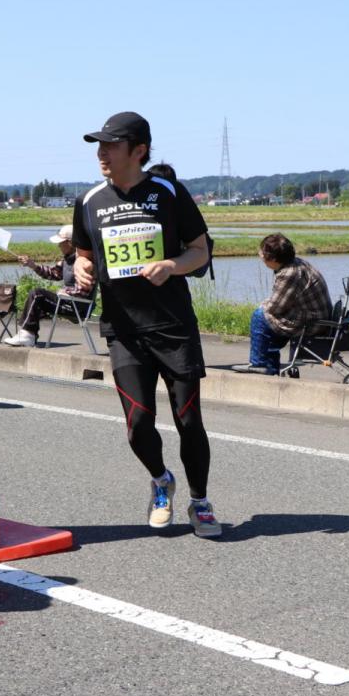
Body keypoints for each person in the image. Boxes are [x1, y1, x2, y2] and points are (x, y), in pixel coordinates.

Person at [72, 111, 220, 538]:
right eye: (99, 146)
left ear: (138, 151)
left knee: (188, 419)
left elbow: (200, 252)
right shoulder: (90, 200)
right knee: (137, 423)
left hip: (172, 326)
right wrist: (82, 269)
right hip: (124, 330)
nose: (102, 153)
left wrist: (172, 265)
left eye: (111, 145)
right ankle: (160, 480)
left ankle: (199, 501)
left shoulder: (170, 192)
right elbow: (83, 253)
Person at [231, 233, 331, 375]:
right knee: (268, 322)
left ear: (273, 259)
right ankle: (269, 369)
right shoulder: (296, 263)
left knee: (259, 316)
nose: (260, 255)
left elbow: (275, 307)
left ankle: (258, 363)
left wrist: (262, 306)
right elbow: (281, 302)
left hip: (311, 322)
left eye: (263, 253)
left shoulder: (289, 274)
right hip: (315, 317)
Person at [2, 224, 93, 347]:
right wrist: (32, 265)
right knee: (37, 297)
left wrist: (65, 292)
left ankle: (27, 335)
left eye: (61, 242)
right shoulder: (66, 260)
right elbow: (53, 274)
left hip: (77, 307)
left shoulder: (85, 262)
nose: (58, 245)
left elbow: (85, 289)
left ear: (70, 243)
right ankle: (28, 334)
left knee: (37, 294)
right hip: (67, 301)